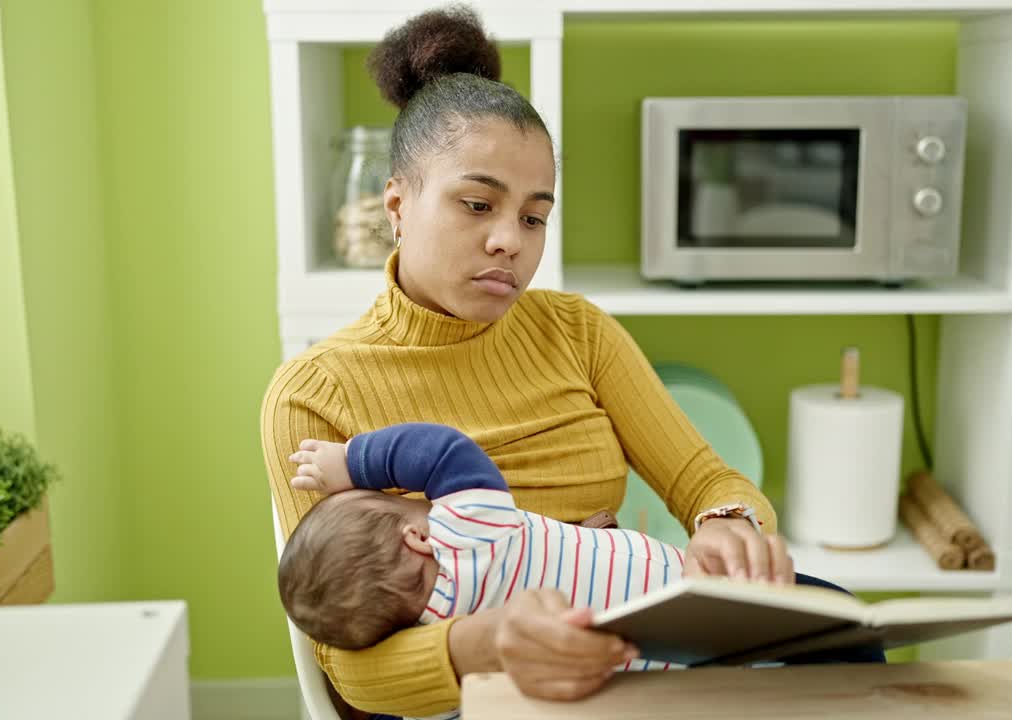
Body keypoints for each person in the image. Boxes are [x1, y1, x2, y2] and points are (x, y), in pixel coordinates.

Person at [260, 6, 872, 717]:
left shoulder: (576, 330)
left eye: (532, 217)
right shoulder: (313, 394)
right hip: (477, 692)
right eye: (477, 204)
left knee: (837, 625)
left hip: (629, 637)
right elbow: (350, 675)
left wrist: (729, 524)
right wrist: (489, 641)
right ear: (397, 203)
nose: (508, 242)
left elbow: (705, 479)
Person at [278, 421, 715, 664]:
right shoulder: (469, 532)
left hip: (661, 668)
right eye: (398, 500)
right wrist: (354, 462)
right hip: (696, 588)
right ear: (417, 537)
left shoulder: (445, 635)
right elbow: (443, 451)